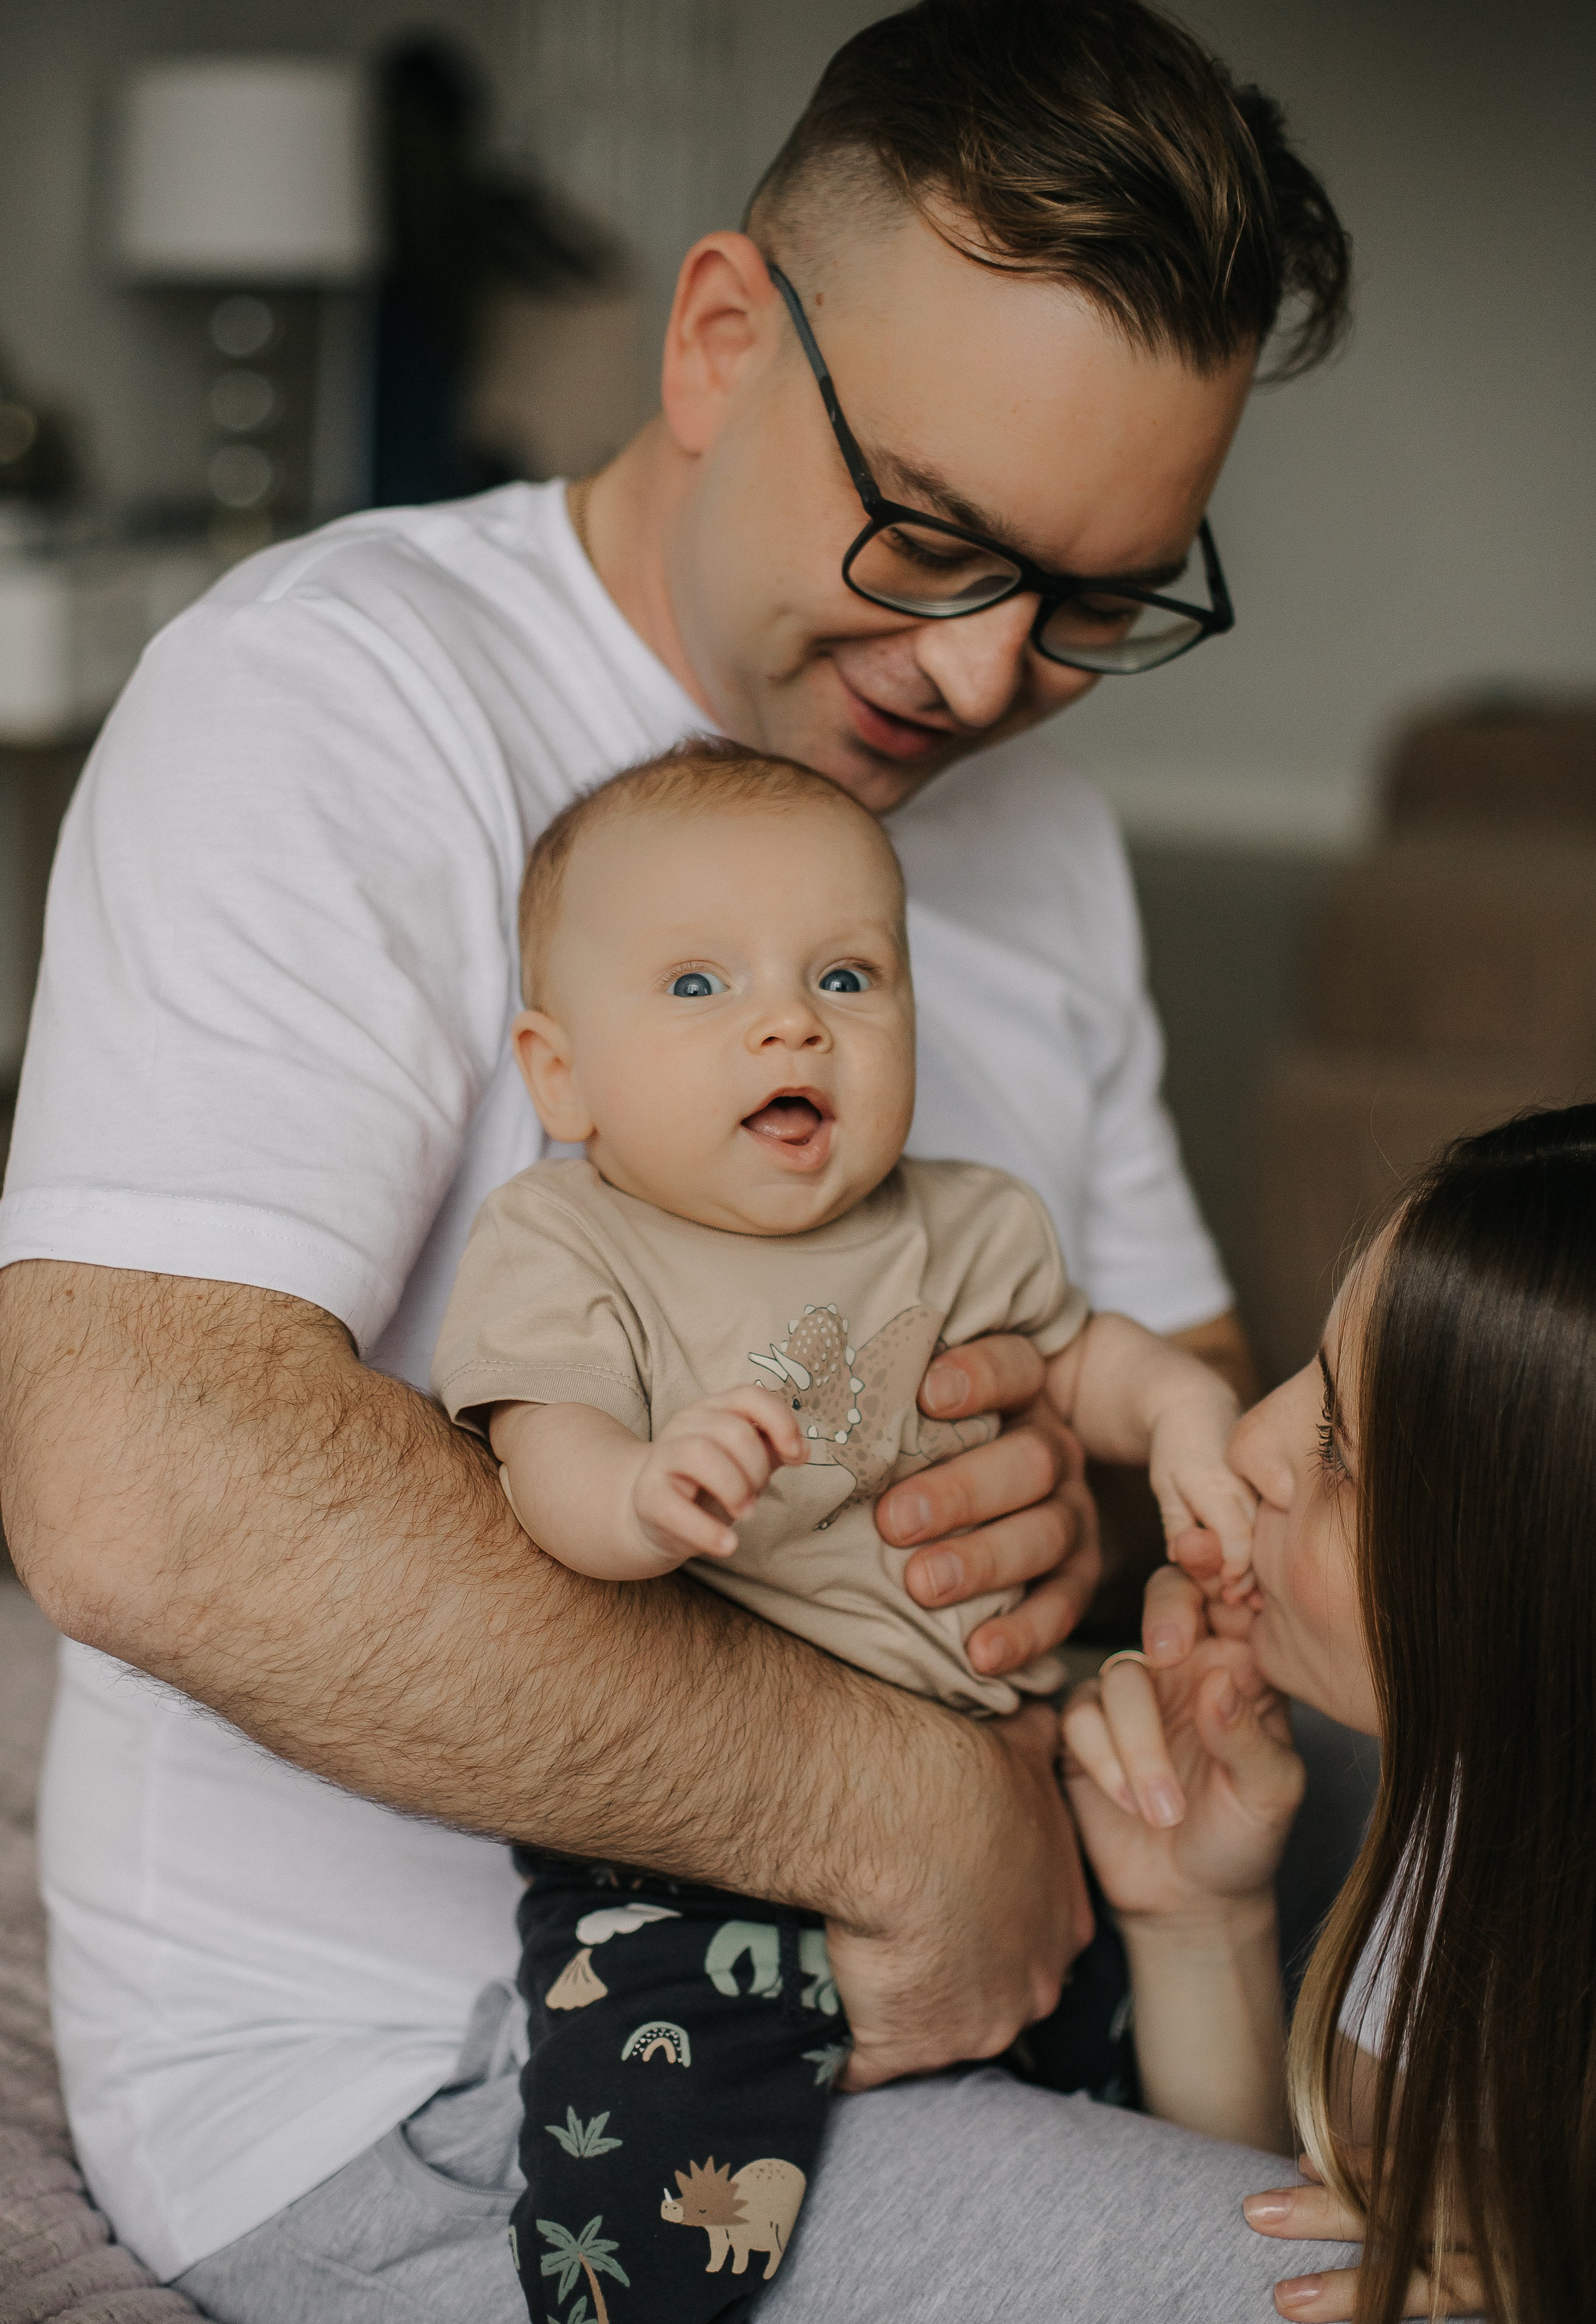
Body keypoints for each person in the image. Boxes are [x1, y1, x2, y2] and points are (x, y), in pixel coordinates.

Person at [0, 2, 1356, 2315]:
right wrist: (909, 1801)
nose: (980, 675)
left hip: (979, 2006)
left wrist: (1067, 1482)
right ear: (723, 338)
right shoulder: (339, 699)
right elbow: (137, 1471)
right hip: (432, 2094)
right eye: (932, 534)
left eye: (1102, 599)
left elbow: (1198, 1444)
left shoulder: (1038, 831)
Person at [432, 744, 1254, 2320]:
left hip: (993, 1755)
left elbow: (1086, 1360)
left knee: (1107, 2042)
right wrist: (643, 1490)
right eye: (694, 983)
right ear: (560, 1072)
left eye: (845, 974)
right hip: (698, 1829)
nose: (787, 1019)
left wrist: (1174, 1415)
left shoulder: (966, 1223)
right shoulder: (566, 1237)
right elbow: (543, 1453)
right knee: (653, 2152)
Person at [1062, 1103, 1596, 2322]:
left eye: (1340, 1452)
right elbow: (1319, 2223)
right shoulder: (1472, 1805)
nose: (1245, 1437)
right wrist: (1194, 1915)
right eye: (1309, 1371)